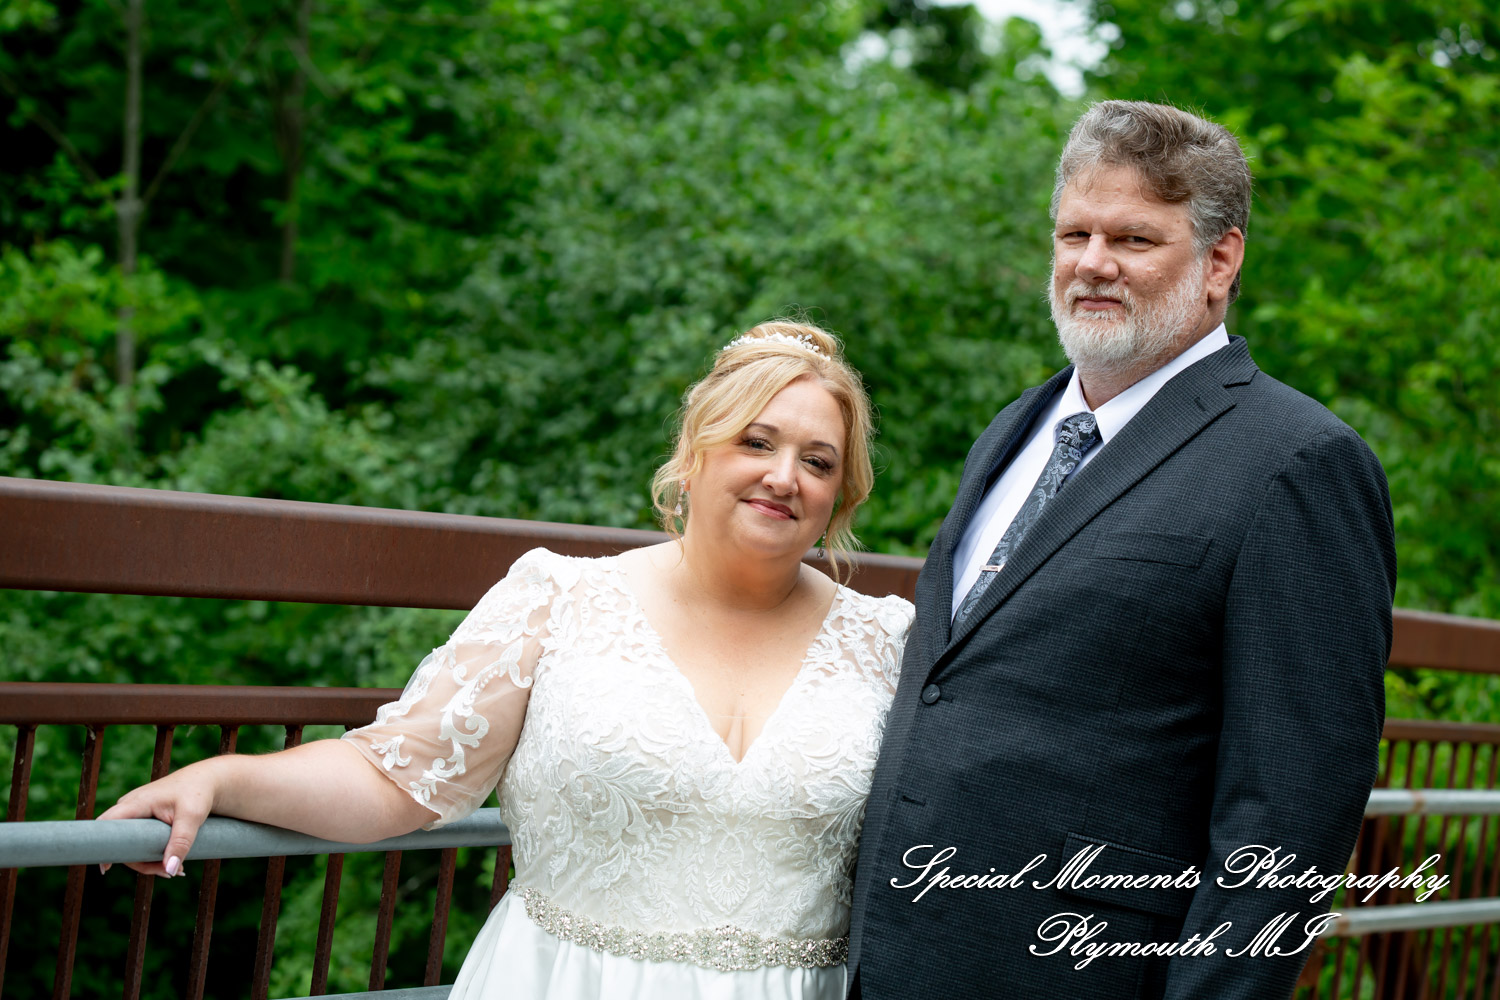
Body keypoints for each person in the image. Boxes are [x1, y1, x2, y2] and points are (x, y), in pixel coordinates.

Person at [99, 321, 914, 1000]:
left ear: (842, 495)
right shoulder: (557, 599)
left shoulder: (889, 642)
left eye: (818, 460)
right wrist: (220, 779)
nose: (783, 477)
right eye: (756, 442)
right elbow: (393, 781)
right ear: (695, 452)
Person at [847, 101, 1396, 1000]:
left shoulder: (1298, 463)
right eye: (1074, 233)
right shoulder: (1015, 428)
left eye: (1135, 240)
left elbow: (1291, 812)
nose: (1092, 264)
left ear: (1221, 260)